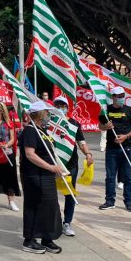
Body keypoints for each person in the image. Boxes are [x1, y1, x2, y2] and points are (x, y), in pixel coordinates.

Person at [20, 101, 66, 254]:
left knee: (50, 206)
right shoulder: (30, 130)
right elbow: (30, 154)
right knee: (35, 205)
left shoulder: (42, 130)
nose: (49, 115)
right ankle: (30, 239)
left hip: (47, 176)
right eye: (47, 112)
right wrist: (50, 167)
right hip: (34, 175)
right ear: (39, 114)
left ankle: (47, 237)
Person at [51, 97, 92, 236]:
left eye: (63, 105)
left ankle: (67, 223)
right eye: (57, 105)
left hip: (71, 164)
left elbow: (81, 142)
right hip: (53, 164)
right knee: (51, 193)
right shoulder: (49, 122)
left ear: (67, 107)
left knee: (70, 193)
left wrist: (88, 153)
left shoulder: (74, 124)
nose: (60, 107)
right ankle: (53, 220)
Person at [98, 86, 131, 212]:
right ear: (113, 97)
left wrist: (126, 136)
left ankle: (129, 202)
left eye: (123, 96)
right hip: (111, 148)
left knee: (128, 176)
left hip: (127, 147)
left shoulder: (129, 110)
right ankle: (109, 201)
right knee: (110, 176)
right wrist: (106, 126)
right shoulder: (106, 110)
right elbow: (100, 126)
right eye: (119, 96)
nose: (121, 98)